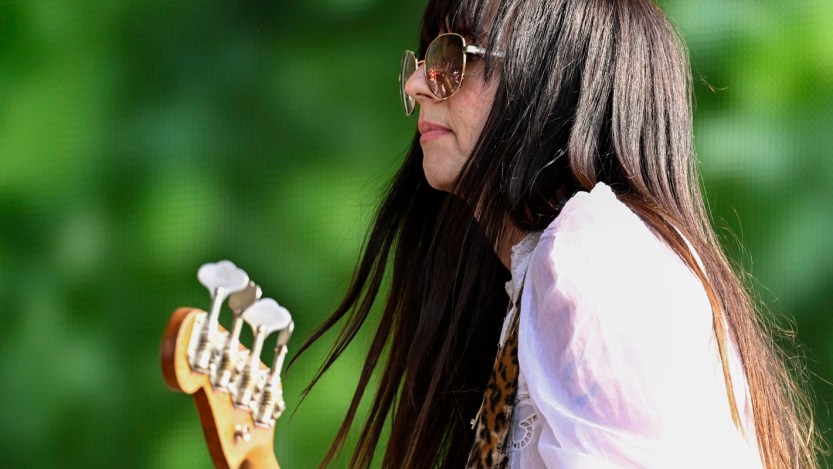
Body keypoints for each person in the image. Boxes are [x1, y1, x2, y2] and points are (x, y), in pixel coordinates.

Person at [293, 0, 822, 467]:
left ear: (551, 76)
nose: (415, 84)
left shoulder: (594, 253)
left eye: (452, 58)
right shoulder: (579, 262)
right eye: (424, 60)